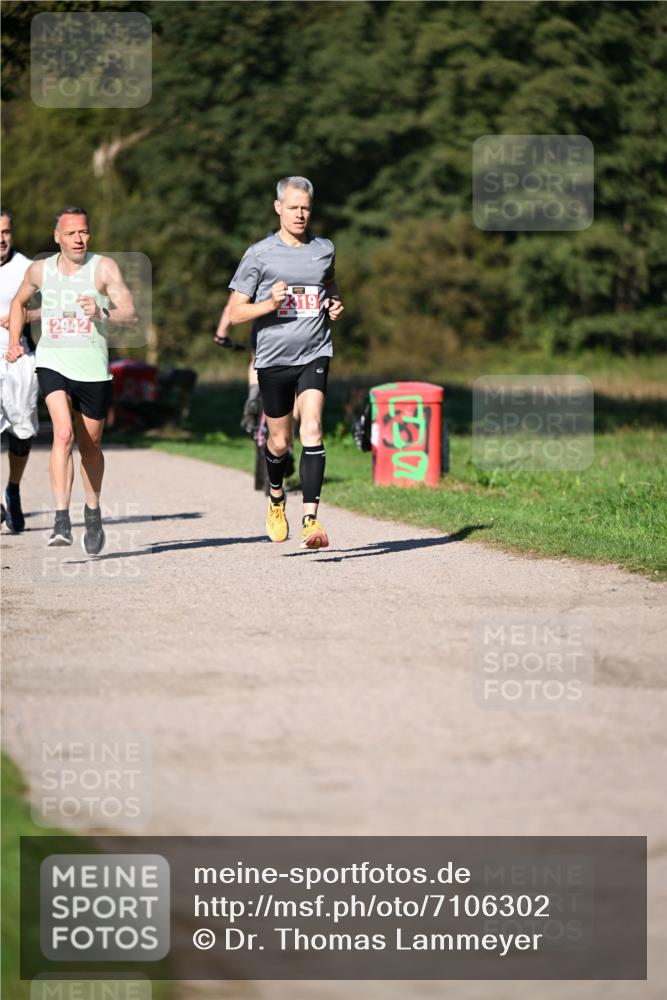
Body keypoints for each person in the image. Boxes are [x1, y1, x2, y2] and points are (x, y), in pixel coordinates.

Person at [5, 206, 137, 553]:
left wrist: (103, 311)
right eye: (71, 233)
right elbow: (19, 302)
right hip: (53, 362)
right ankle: (61, 519)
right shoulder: (40, 270)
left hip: (93, 369)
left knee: (90, 448)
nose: (79, 239)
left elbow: (130, 313)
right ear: (57, 237)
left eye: (84, 232)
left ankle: (92, 512)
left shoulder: (104, 267)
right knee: (62, 434)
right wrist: (15, 340)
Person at [228, 176, 344, 548]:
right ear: (278, 207)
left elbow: (330, 284)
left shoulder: (324, 249)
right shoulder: (259, 254)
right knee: (279, 442)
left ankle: (311, 519)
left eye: (306, 207)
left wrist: (334, 304)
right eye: (293, 207)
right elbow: (235, 313)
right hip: (274, 358)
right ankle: (276, 500)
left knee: (312, 428)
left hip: (315, 351)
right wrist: (268, 305)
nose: (300, 214)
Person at [0, 210, 40, 533]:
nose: (1, 239)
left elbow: (54, 304)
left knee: (21, 431)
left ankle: (12, 488)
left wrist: (23, 315)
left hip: (19, 359)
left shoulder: (27, 267)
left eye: (6, 232)